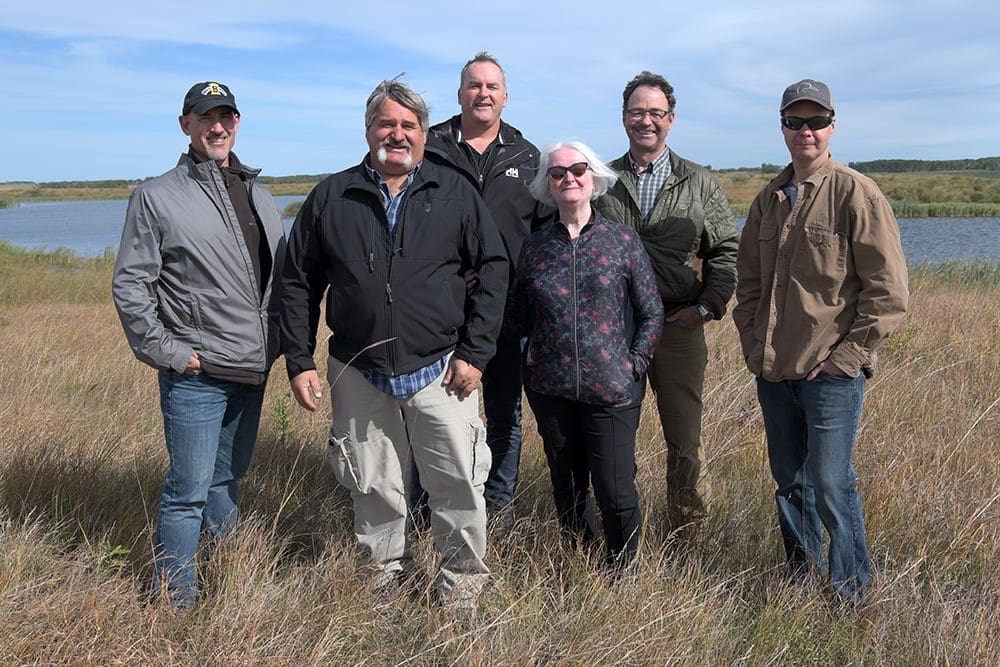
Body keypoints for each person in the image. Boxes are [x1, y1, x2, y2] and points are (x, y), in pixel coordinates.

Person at [279, 78, 508, 615]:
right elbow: (296, 282)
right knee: (374, 485)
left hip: (441, 369)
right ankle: (383, 586)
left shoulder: (454, 194)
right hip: (358, 371)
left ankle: (463, 591)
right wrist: (298, 359)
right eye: (387, 123)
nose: (397, 134)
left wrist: (475, 353)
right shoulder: (331, 197)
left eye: (408, 125)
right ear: (368, 130)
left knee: (457, 484)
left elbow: (495, 269)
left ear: (425, 135)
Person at [733, 79, 908, 602]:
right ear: (782, 128)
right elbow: (749, 284)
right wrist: (750, 342)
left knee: (832, 485)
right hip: (775, 371)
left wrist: (846, 359)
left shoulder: (857, 193)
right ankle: (800, 581)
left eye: (815, 121)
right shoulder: (767, 200)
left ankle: (851, 591)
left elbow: (889, 292)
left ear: (833, 126)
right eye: (794, 122)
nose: (805, 131)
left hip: (830, 374)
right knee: (790, 483)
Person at [112, 81, 286, 607]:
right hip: (198, 375)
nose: (218, 127)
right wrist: (171, 353)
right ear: (185, 123)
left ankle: (227, 581)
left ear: (237, 124)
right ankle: (176, 600)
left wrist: (278, 343)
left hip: (252, 371)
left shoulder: (259, 193)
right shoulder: (157, 195)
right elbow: (131, 284)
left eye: (227, 117)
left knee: (225, 482)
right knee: (187, 492)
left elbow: (278, 280)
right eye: (206, 117)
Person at [595, 71, 739, 537]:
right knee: (616, 437)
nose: (646, 121)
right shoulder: (602, 181)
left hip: (678, 328)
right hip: (617, 331)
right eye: (637, 112)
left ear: (671, 120)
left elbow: (726, 252)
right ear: (623, 118)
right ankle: (622, 528)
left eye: (656, 113)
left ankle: (686, 530)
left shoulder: (700, 183)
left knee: (685, 441)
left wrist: (706, 306)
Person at [507, 140, 663, 570]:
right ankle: (580, 560)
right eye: (558, 173)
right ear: (548, 185)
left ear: (592, 178)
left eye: (577, 169)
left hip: (612, 390)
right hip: (550, 390)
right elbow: (519, 315)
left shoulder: (622, 241)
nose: (568, 178)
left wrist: (634, 364)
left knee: (615, 490)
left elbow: (651, 312)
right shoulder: (536, 247)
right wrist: (532, 361)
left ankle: (623, 570)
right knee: (566, 486)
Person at [424, 52, 554, 524]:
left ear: (505, 96)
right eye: (474, 86)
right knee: (434, 417)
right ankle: (432, 507)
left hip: (507, 312)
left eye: (492, 87)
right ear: (459, 94)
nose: (483, 93)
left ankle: (495, 509)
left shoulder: (527, 156)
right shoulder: (430, 146)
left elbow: (547, 236)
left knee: (504, 417)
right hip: (437, 311)